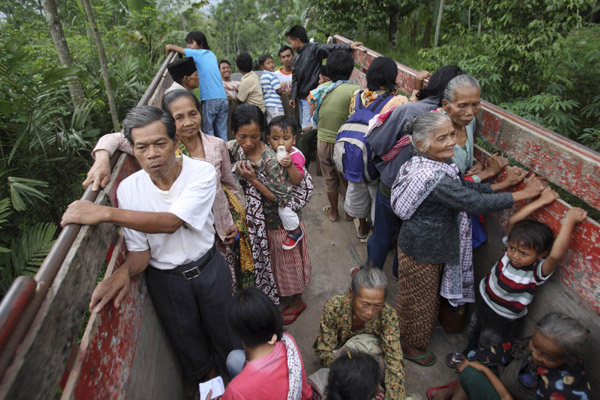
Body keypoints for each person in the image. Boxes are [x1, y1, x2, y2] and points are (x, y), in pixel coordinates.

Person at [61, 106, 238, 396]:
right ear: (132, 148)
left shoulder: (201, 173)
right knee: (189, 345)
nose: (152, 154)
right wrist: (125, 272)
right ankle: (211, 388)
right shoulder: (129, 189)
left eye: (160, 144)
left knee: (228, 335)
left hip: (209, 269)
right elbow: (141, 252)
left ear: (176, 142)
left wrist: (103, 213)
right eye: (142, 147)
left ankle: (240, 385)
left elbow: (171, 223)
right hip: (167, 281)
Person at [390, 112, 546, 367]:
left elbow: (464, 188)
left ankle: (413, 331)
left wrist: (503, 183)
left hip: (424, 244)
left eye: (452, 134)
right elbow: (473, 201)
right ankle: (409, 344)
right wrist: (525, 193)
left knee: (422, 294)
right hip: (424, 248)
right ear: (422, 144)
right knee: (417, 298)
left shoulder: (425, 164)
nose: (452, 141)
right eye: (443, 138)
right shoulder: (436, 178)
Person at [81, 89, 252, 291]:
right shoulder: (162, 148)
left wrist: (236, 219)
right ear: (169, 123)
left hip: (219, 230)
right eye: (179, 117)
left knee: (224, 284)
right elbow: (115, 138)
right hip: (185, 234)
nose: (188, 122)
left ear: (200, 113)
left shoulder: (216, 146)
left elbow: (229, 183)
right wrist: (101, 158)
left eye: (193, 114)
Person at [365, 65, 465, 278]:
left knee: (382, 233)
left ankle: (369, 279)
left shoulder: (409, 111)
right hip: (429, 196)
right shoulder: (457, 123)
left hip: (392, 185)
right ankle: (399, 276)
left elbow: (378, 141)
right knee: (406, 236)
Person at [462, 194, 587, 354]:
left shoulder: (536, 271)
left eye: (523, 253)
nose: (515, 255)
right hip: (485, 302)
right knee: (473, 330)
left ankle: (479, 364)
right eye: (513, 248)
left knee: (490, 345)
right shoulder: (508, 252)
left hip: (504, 318)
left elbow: (556, 255)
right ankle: (467, 354)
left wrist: (569, 220)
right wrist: (541, 201)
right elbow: (513, 221)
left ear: (541, 254)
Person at [228, 105, 311, 323]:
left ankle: (297, 301)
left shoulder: (271, 161)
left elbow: (282, 199)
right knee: (272, 264)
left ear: (262, 135)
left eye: (254, 137)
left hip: (278, 225)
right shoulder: (236, 148)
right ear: (234, 133)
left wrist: (253, 181)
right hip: (258, 224)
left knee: (287, 264)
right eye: (242, 136)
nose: (247, 142)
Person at [429, 312, 592, 400]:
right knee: (475, 362)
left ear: (570, 359)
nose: (535, 355)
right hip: (509, 387)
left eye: (548, 357)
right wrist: (472, 358)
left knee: (472, 374)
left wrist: (481, 370)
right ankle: (454, 389)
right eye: (534, 345)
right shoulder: (544, 342)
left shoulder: (561, 389)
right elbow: (507, 350)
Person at [342, 56, 408, 239]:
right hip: (378, 159)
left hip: (355, 155)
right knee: (375, 197)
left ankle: (361, 229)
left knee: (357, 191)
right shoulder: (398, 101)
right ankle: (376, 236)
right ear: (391, 78)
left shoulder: (357, 96)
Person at [314, 267, 405, 400]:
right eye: (365, 304)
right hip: (342, 358)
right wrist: (351, 372)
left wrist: (394, 397)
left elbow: (394, 360)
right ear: (351, 294)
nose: (370, 312)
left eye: (377, 305)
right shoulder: (334, 307)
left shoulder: (388, 315)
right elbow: (324, 351)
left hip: (369, 357)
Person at [220, 287, 312, 400]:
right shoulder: (288, 341)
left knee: (233, 359)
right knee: (234, 359)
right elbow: (305, 392)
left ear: (236, 332)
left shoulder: (236, 391)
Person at [285, 24, 362, 130]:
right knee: (305, 123)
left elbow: (330, 48)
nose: (291, 45)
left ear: (297, 40)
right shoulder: (296, 58)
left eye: (291, 42)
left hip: (312, 95)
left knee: (308, 125)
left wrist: (348, 46)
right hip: (301, 98)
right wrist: (293, 96)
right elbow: (295, 79)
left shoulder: (313, 49)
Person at [315, 51, 360, 223]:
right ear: (350, 72)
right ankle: (350, 213)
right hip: (344, 142)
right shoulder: (355, 90)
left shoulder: (321, 89)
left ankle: (334, 212)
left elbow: (315, 114)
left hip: (323, 140)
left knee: (330, 178)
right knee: (346, 178)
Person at [166, 31, 229, 141]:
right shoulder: (211, 54)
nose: (189, 46)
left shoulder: (198, 53)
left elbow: (170, 47)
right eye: (187, 43)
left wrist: (168, 51)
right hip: (223, 98)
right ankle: (226, 155)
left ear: (200, 44)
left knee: (209, 131)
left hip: (210, 99)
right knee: (222, 132)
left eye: (191, 43)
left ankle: (213, 157)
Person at [266, 115, 313, 250]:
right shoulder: (271, 153)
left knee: (284, 209)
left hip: (302, 190)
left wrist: (290, 165)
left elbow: (297, 180)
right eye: (276, 139)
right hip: (292, 187)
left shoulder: (294, 157)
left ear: (294, 140)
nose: (280, 143)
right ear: (269, 140)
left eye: (285, 138)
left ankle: (295, 231)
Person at [259, 54, 284, 123]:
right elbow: (278, 89)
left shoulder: (262, 77)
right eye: (268, 63)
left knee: (271, 123)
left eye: (272, 62)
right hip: (275, 104)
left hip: (267, 104)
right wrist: (283, 90)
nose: (271, 64)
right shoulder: (271, 75)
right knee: (280, 122)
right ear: (262, 66)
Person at [274, 45, 297, 121]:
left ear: (293, 56)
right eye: (283, 57)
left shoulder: (298, 72)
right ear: (280, 59)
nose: (286, 59)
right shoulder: (275, 75)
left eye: (288, 56)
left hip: (297, 109)